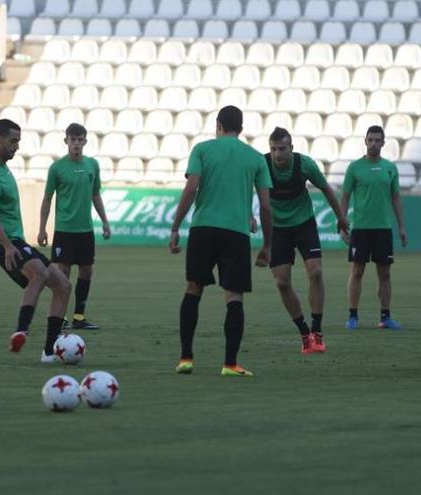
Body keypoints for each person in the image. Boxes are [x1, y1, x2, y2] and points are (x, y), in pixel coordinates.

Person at [169, 105, 272, 377]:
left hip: (203, 229)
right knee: (234, 296)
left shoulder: (202, 150)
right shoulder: (255, 158)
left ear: (218, 125)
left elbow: (191, 188)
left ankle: (186, 358)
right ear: (241, 128)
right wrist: (267, 245)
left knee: (193, 289)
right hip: (236, 233)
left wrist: (175, 227)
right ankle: (230, 363)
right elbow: (266, 206)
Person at [0, 119, 71, 361]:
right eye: (13, 141)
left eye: (18, 141)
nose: (17, 146)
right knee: (38, 274)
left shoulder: (3, 169)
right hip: (3, 244)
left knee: (63, 285)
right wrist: (7, 246)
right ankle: (21, 331)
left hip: (17, 241)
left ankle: (49, 352)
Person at [262, 127, 348, 353]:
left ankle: (317, 331)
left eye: (282, 149)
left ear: (291, 148)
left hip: (304, 223)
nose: (277, 154)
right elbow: (242, 188)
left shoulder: (305, 164)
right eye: (273, 149)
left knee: (316, 271)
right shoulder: (262, 165)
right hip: (277, 229)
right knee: (281, 282)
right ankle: (304, 332)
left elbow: (327, 189)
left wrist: (341, 218)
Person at [37, 123, 110, 331]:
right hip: (64, 230)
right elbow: (47, 198)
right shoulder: (57, 168)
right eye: (72, 139)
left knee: (87, 271)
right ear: (66, 141)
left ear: (85, 141)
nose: (76, 144)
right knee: (63, 274)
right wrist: (42, 228)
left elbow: (95, 194)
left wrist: (104, 221)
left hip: (85, 230)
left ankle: (79, 317)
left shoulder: (92, 166)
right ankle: (61, 317)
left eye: (80, 140)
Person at [341, 125, 407, 330]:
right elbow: (345, 196)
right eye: (370, 140)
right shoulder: (355, 168)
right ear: (365, 141)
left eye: (378, 140)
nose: (374, 144)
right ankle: (353, 316)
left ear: (383, 143)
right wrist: (342, 223)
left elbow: (396, 198)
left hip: (383, 228)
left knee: (385, 273)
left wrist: (401, 227)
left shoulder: (390, 168)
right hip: (360, 228)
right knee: (357, 270)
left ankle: (385, 317)